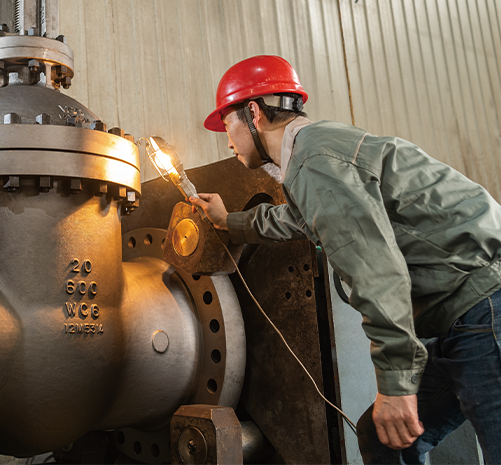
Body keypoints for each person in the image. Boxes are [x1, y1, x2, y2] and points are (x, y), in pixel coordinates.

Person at [189, 55, 501, 464]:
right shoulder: (316, 151)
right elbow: (298, 219)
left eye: (226, 124)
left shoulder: (313, 160)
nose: (227, 140)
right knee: (382, 436)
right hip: (463, 317)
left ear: (253, 113)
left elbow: (375, 271)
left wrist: (395, 384)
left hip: (484, 307)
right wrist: (229, 222)